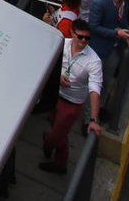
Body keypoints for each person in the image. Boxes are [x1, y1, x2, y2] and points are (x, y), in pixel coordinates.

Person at [38, 19, 102, 175]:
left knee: (54, 136)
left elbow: (95, 89)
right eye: (80, 37)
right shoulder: (62, 44)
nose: (84, 41)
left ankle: (48, 145)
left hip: (72, 104)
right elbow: (45, 60)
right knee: (60, 132)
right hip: (55, 96)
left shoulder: (94, 61)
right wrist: (58, 77)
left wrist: (93, 120)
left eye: (87, 38)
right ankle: (61, 163)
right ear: (73, 33)